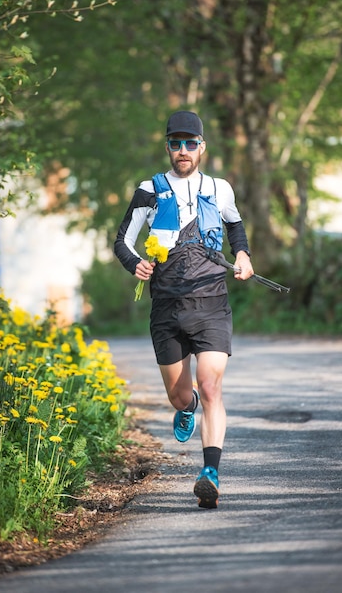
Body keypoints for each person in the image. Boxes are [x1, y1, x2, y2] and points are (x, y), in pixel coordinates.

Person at [114, 111, 254, 509]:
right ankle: (186, 407)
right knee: (181, 396)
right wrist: (135, 263)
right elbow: (122, 241)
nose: (183, 150)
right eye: (175, 143)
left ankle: (210, 472)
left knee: (211, 385)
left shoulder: (219, 188)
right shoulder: (149, 190)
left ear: (201, 146)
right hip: (167, 307)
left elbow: (235, 228)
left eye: (190, 143)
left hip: (211, 303)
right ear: (167, 147)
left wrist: (242, 255)